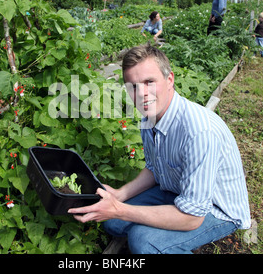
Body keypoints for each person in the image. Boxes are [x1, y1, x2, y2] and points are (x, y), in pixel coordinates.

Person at [68, 44, 251, 254]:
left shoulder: (199, 132)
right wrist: (119, 195)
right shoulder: (149, 119)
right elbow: (155, 168)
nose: (142, 93)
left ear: (170, 79)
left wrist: (121, 209)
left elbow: (192, 218)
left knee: (143, 241)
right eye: (133, 86)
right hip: (178, 190)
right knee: (113, 223)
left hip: (215, 209)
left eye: (149, 82)